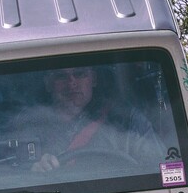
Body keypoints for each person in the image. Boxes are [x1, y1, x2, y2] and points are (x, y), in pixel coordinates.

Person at [12, 65, 168, 174]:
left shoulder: (128, 121)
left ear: (93, 79)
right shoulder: (29, 125)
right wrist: (33, 171)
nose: (71, 83)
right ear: (48, 84)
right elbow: (10, 179)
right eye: (61, 76)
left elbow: (159, 169)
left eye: (80, 74)